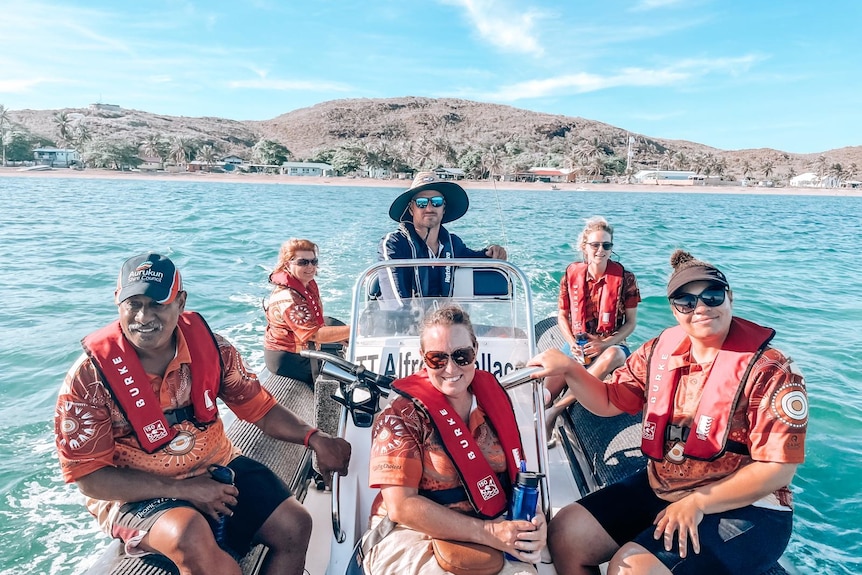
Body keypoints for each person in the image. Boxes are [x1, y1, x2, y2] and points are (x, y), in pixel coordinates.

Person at [54, 253, 351, 575]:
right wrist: (185, 490)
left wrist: (314, 437)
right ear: (117, 302)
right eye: (133, 304)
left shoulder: (213, 349)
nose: (143, 316)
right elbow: (90, 477)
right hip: (137, 492)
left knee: (295, 524)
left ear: (180, 302)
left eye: (157, 304)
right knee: (189, 537)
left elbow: (260, 409)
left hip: (217, 463)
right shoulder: (89, 377)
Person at [528, 250, 808, 575]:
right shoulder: (659, 351)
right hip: (664, 486)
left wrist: (700, 501)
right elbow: (608, 401)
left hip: (749, 508)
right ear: (674, 310)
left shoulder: (772, 369)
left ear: (729, 296)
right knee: (565, 535)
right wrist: (571, 371)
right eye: (686, 301)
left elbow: (778, 470)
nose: (700, 307)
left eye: (712, 296)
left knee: (632, 568)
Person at [360, 305, 546, 575]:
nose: (451, 368)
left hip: (495, 523)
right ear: (424, 359)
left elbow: (516, 476)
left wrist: (535, 523)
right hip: (413, 533)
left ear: (475, 351)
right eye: (438, 359)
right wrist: (488, 532)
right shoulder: (399, 415)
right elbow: (401, 507)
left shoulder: (493, 402)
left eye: (462, 356)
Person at [544, 216, 641, 440]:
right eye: (595, 245)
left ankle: (557, 410)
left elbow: (631, 323)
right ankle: (544, 411)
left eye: (606, 245)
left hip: (612, 344)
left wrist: (604, 343)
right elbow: (562, 315)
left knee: (613, 356)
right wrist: (571, 344)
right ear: (584, 248)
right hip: (578, 344)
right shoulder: (571, 276)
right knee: (546, 394)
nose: (601, 250)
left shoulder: (626, 279)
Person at [378, 171, 507, 306]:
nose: (429, 208)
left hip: (442, 323)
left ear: (443, 208)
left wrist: (495, 251)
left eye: (436, 202)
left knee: (514, 329)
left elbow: (481, 258)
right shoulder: (393, 244)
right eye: (421, 203)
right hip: (399, 324)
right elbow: (395, 302)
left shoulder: (453, 245)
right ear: (411, 209)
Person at [264, 238, 350, 385]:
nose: (310, 267)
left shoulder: (307, 284)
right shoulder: (287, 297)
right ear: (287, 264)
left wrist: (341, 336)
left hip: (305, 350)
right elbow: (313, 334)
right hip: (288, 358)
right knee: (347, 379)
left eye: (313, 261)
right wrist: (355, 330)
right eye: (303, 262)